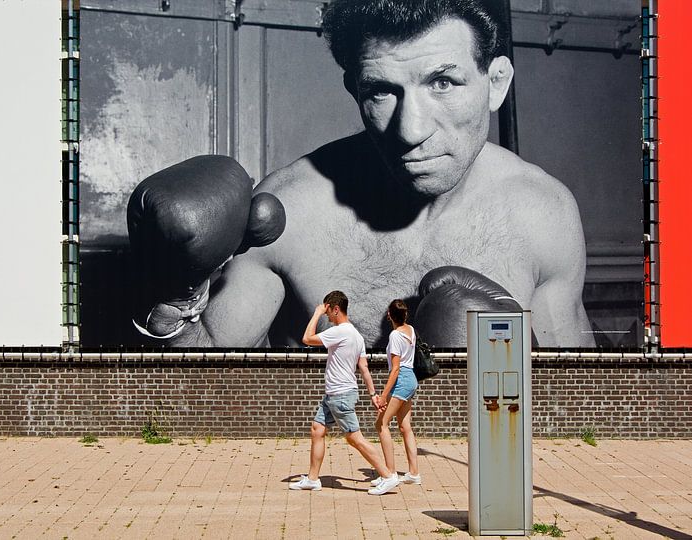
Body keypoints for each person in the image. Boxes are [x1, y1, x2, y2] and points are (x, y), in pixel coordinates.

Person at [127, 0, 595, 349]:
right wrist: (173, 298)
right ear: (354, 89)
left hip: (470, 474)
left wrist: (515, 367)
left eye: (442, 82)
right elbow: (199, 393)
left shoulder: (543, 213)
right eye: (381, 92)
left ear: (496, 84)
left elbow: (577, 411)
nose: (411, 131)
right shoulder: (291, 211)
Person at [289, 290, 401, 495]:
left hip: (340, 395)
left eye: (328, 312)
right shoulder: (356, 335)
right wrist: (373, 394)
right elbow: (364, 368)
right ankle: (313, 479)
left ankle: (388, 475)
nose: (327, 316)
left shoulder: (340, 332)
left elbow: (306, 338)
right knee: (317, 429)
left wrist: (315, 313)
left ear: (336, 309)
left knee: (354, 438)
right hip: (335, 394)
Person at [370, 300, 422, 493]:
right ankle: (413, 473)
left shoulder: (394, 335)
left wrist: (383, 396)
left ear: (389, 315)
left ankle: (390, 474)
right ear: (405, 315)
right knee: (404, 426)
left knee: (381, 424)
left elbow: (395, 369)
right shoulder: (411, 330)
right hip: (411, 379)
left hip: (401, 380)